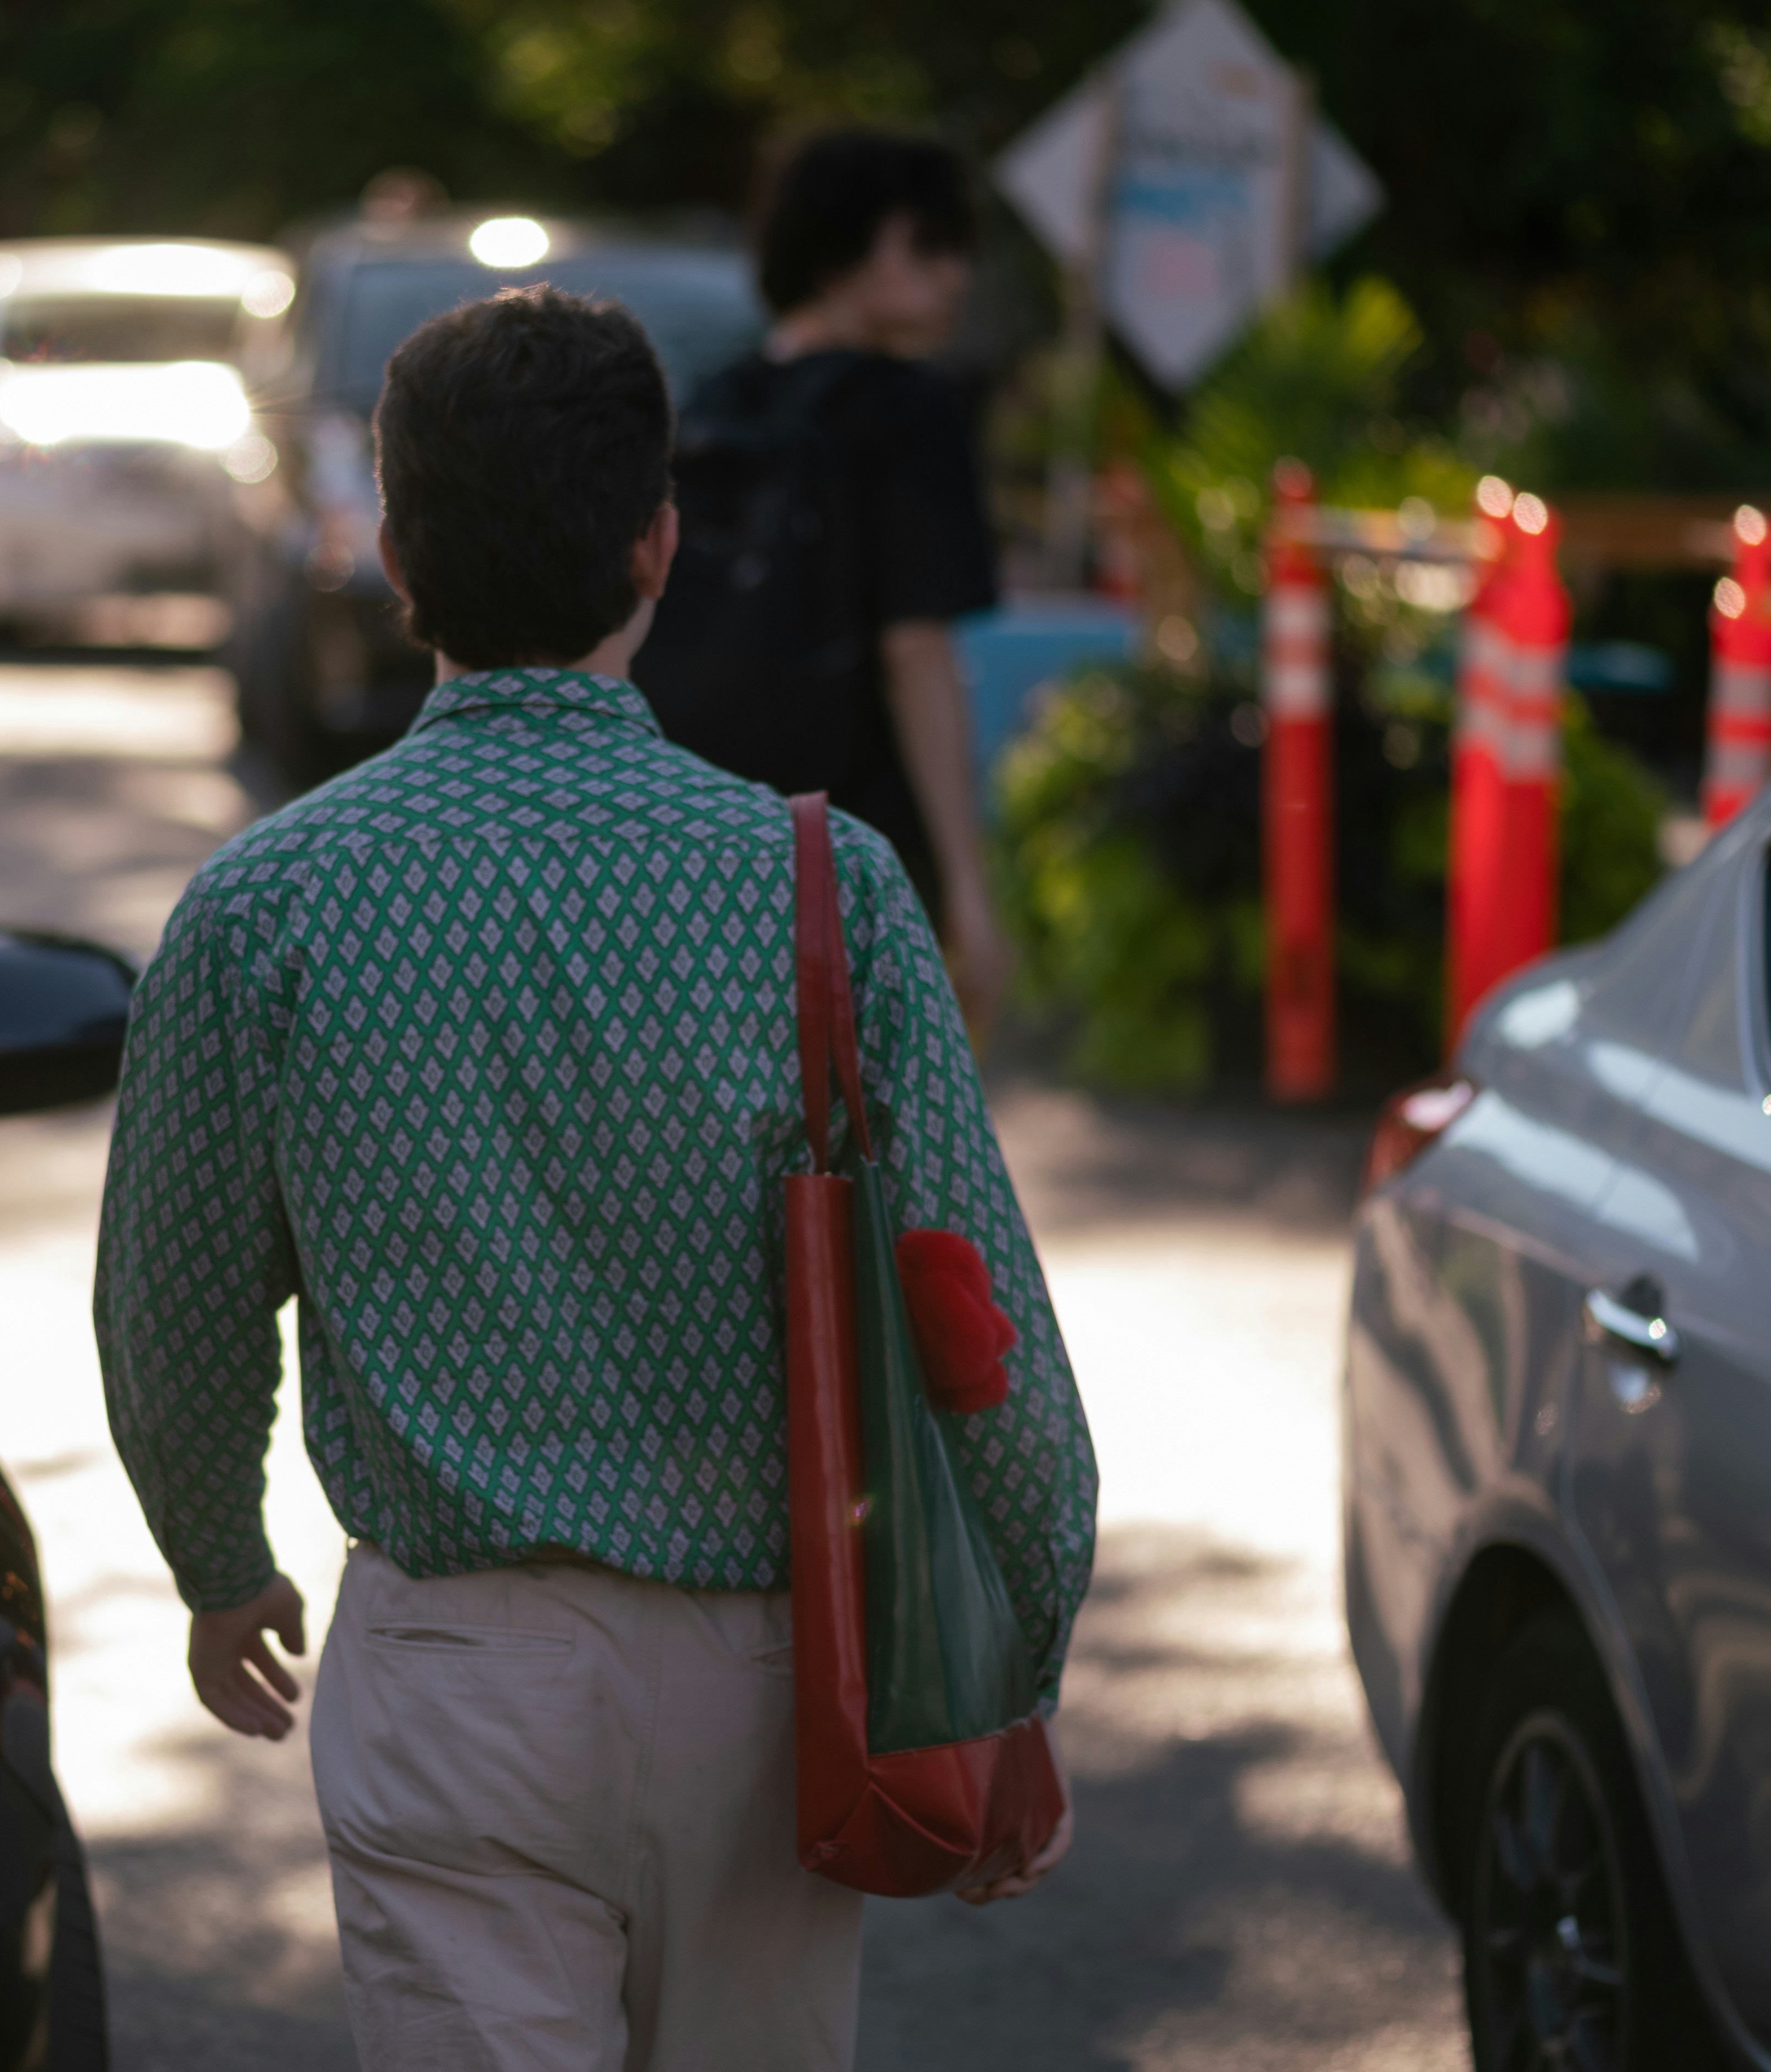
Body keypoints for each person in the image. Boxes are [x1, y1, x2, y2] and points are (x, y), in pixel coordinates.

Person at [94, 285, 1095, 2072]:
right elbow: (974, 1311)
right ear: (656, 545)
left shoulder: (265, 905)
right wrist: (1017, 1646)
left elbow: (173, 1301)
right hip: (777, 1684)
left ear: (395, 558)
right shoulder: (824, 886)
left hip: (454, 1682)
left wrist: (218, 1556)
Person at [632, 130, 1010, 1034]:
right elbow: (916, 651)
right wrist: (968, 886)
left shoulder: (709, 404)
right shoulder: (907, 407)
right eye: (926, 246)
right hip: (846, 843)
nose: (954, 275)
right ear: (839, 255)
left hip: (692, 835)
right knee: (850, 1105)